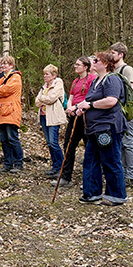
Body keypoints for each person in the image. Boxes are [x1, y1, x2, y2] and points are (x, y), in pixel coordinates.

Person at [75, 51, 128, 206]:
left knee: (110, 160)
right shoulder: (95, 81)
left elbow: (111, 101)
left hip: (107, 128)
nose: (93, 62)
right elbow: (89, 100)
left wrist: (90, 105)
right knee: (90, 160)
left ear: (105, 63)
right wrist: (81, 107)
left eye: (97, 60)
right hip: (93, 128)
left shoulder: (112, 79)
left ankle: (117, 195)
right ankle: (91, 193)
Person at [56, 57, 96, 188]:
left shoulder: (91, 79)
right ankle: (66, 176)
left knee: (89, 147)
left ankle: (90, 178)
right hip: (74, 117)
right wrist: (69, 107)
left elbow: (90, 97)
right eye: (75, 64)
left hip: (86, 117)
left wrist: (77, 106)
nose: (75, 67)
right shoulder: (75, 81)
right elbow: (71, 96)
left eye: (78, 65)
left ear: (85, 67)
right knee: (68, 145)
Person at [109, 42, 133, 187]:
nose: (111, 55)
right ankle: (122, 173)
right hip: (115, 114)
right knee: (120, 144)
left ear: (121, 55)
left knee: (128, 143)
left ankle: (131, 176)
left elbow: (130, 92)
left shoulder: (127, 70)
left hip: (126, 113)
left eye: (113, 53)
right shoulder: (112, 70)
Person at [0, 55, 24, 173]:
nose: (4, 65)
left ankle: (18, 163)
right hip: (0, 114)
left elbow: (6, 90)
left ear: (11, 65)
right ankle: (8, 164)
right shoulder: (2, 79)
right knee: (4, 140)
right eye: (3, 63)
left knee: (12, 138)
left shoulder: (15, 77)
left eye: (6, 64)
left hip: (10, 113)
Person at [34, 65, 66, 177]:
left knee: (54, 142)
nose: (44, 76)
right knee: (49, 143)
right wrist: (44, 99)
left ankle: (62, 167)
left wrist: (43, 98)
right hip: (43, 116)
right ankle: (55, 166)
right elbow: (37, 102)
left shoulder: (58, 83)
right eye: (44, 74)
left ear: (53, 75)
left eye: (47, 74)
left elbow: (51, 98)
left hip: (53, 117)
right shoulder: (44, 86)